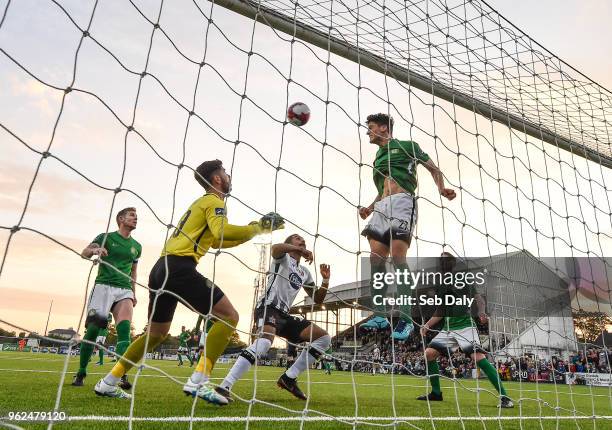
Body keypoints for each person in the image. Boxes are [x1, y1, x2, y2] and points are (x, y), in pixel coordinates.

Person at [94, 159, 284, 404]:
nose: (228, 176)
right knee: (229, 316)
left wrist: (254, 230)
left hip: (161, 269)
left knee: (156, 334)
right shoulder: (214, 201)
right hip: (179, 267)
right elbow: (221, 232)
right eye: (225, 173)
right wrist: (258, 227)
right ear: (217, 179)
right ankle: (199, 380)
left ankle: (108, 382)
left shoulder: (201, 203)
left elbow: (217, 240)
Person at [359, 113, 456, 340]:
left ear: (383, 128)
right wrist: (370, 208)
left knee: (398, 257)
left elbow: (433, 169)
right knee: (375, 258)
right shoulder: (378, 157)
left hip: (403, 203)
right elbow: (383, 186)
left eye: (371, 127)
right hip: (382, 206)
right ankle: (380, 314)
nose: (367, 132)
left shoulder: (407, 146)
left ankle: (406, 319)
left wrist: (442, 189)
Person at [217, 234, 331, 401]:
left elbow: (318, 299)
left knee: (324, 338)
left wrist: (326, 280)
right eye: (297, 239)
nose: (302, 241)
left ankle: (289, 378)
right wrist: (298, 249)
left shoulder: (304, 272)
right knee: (264, 342)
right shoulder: (282, 257)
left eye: (303, 241)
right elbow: (275, 249)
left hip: (285, 314)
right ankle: (225, 385)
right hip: (268, 307)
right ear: (289, 244)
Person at [417, 253, 513, 408]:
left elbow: (479, 299)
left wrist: (481, 312)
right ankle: (436, 393)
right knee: (429, 354)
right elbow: (440, 310)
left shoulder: (463, 279)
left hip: (465, 326)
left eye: (446, 260)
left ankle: (505, 397)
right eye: (440, 260)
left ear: (453, 262)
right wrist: (427, 325)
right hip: (448, 328)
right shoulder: (441, 285)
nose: (442, 263)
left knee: (478, 358)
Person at [72, 207, 141, 388]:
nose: (135, 219)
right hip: (103, 287)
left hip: (124, 290)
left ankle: (120, 375)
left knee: (125, 331)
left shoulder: (137, 247)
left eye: (136, 216)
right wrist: (94, 251)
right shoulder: (106, 237)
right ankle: (81, 372)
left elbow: (134, 272)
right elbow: (84, 253)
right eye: (132, 215)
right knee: (93, 331)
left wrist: (133, 292)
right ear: (121, 219)